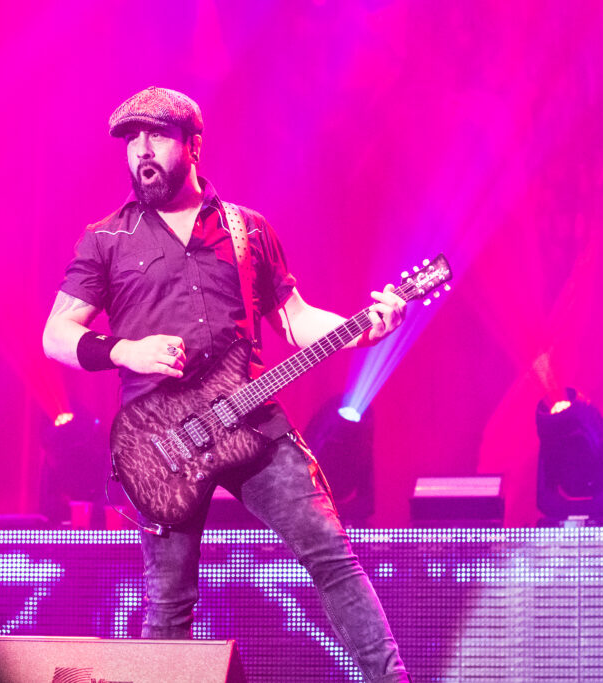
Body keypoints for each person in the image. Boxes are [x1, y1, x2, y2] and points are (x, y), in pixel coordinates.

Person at [42, 86, 410, 682]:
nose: (142, 151)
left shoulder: (248, 229)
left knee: (331, 556)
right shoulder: (104, 237)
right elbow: (56, 335)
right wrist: (125, 349)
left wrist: (364, 329)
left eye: (156, 135)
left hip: (254, 424)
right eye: (131, 140)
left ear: (193, 144)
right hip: (160, 444)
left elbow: (296, 321)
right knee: (168, 603)